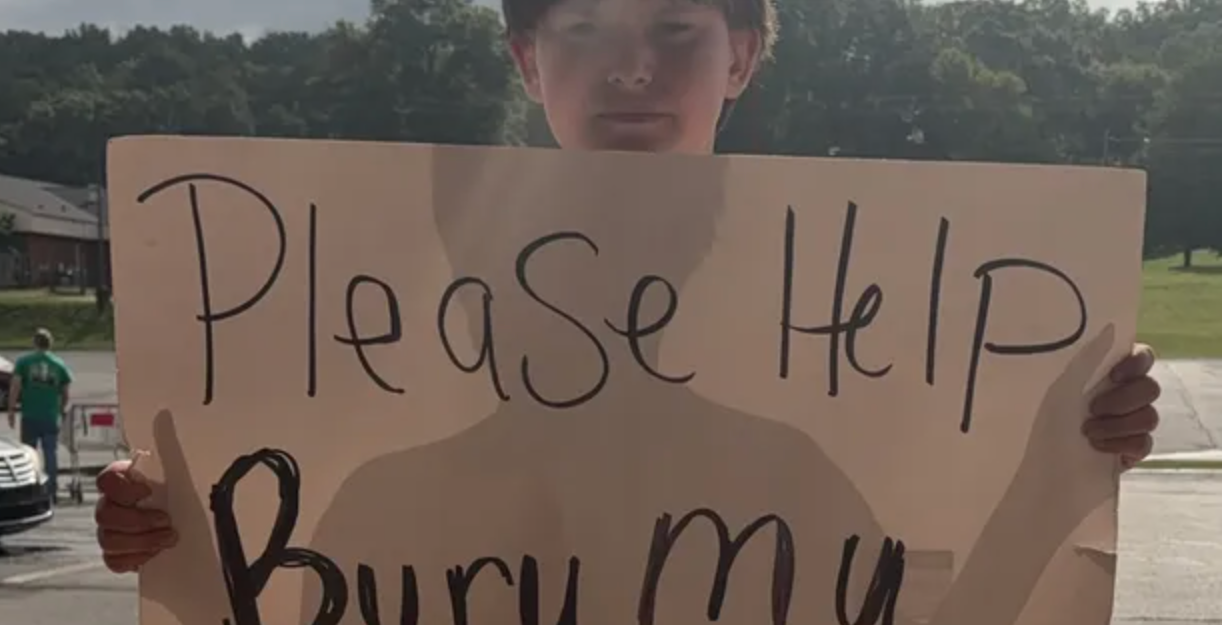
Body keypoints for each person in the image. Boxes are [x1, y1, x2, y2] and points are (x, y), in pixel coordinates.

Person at [94, 0, 1159, 575]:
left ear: (740, 54)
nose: (632, 67)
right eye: (588, 28)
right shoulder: (397, 371)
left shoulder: (840, 360)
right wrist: (174, 548)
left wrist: (1069, 450)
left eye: (673, 31)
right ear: (527, 57)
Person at [7, 327, 72, 503]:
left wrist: (11, 409)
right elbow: (65, 392)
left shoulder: (24, 362)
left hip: (30, 414)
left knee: (29, 453)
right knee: (50, 452)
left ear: (35, 342)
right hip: (50, 415)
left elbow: (15, 386)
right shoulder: (59, 364)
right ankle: (51, 489)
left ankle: (30, 487)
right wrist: (61, 409)